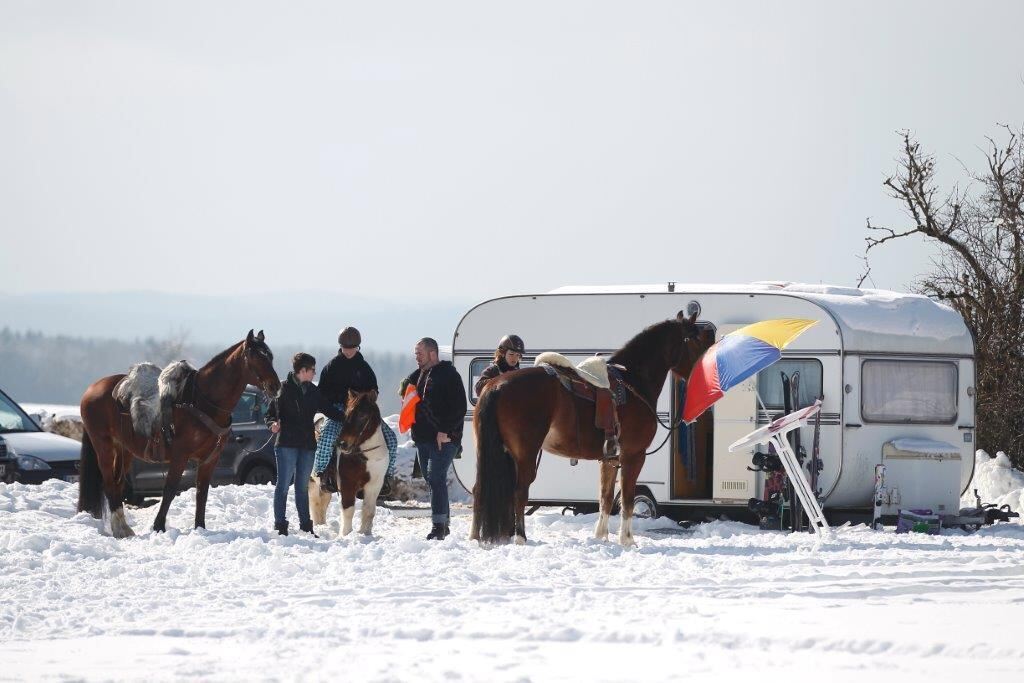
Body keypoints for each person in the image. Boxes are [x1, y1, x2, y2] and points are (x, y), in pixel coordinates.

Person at [403, 337, 467, 540]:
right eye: (416, 354)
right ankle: (443, 523)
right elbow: (406, 387)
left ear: (432, 353)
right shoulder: (418, 374)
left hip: (445, 437)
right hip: (423, 438)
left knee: (436, 477)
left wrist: (445, 431)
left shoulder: (449, 375)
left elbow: (459, 408)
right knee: (432, 480)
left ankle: (438, 526)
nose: (417, 358)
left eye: (420, 354)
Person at [265, 352, 327, 536]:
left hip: (307, 445)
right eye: (312, 370)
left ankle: (306, 526)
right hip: (286, 444)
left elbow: (328, 408)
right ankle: (280, 525)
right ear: (303, 370)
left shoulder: (314, 391)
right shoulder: (282, 389)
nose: (315, 374)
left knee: (302, 487)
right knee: (283, 485)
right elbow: (269, 414)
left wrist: (346, 417)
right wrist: (272, 424)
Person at [313, 327, 379, 476]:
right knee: (327, 437)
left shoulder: (365, 368)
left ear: (358, 347)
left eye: (352, 348)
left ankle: (385, 477)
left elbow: (374, 389)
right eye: (345, 348)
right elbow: (321, 394)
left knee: (391, 440)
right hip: (337, 409)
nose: (348, 351)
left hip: (361, 413)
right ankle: (321, 472)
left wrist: (371, 396)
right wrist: (335, 412)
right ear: (340, 346)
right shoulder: (331, 367)